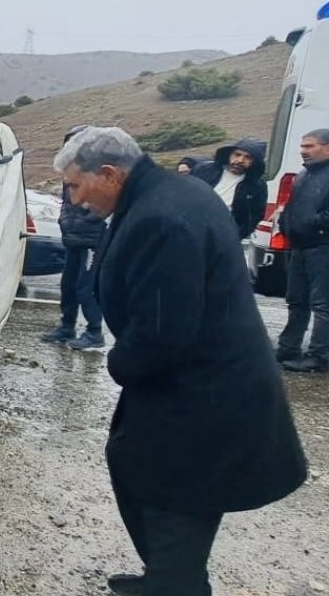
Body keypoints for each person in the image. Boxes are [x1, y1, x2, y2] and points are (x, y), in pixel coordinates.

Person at [55, 127, 307, 596]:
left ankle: (174, 583)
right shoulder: (170, 193)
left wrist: (121, 363)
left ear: (108, 174)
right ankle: (169, 577)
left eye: (74, 185)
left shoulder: (162, 217)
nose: (74, 200)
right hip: (196, 383)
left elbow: (162, 329)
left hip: (200, 391)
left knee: (174, 496)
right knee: (153, 480)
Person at [42, 124, 106, 350]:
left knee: (85, 286)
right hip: (73, 237)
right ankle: (66, 326)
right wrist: (64, 222)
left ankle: (95, 332)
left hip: (93, 239)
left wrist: (89, 220)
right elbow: (67, 204)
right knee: (68, 284)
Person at [276, 128, 329, 372]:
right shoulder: (304, 174)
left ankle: (319, 356)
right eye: (302, 145)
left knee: (322, 303)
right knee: (296, 300)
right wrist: (285, 224)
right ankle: (289, 347)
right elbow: (291, 205)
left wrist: (311, 225)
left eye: (309, 146)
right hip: (299, 246)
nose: (302, 150)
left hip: (323, 247)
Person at [188, 138, 269, 239]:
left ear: (254, 162)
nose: (240, 160)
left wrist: (232, 237)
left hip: (222, 236)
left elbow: (253, 218)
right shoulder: (204, 170)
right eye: (237, 154)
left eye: (247, 157)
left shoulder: (257, 186)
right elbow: (184, 195)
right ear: (229, 154)